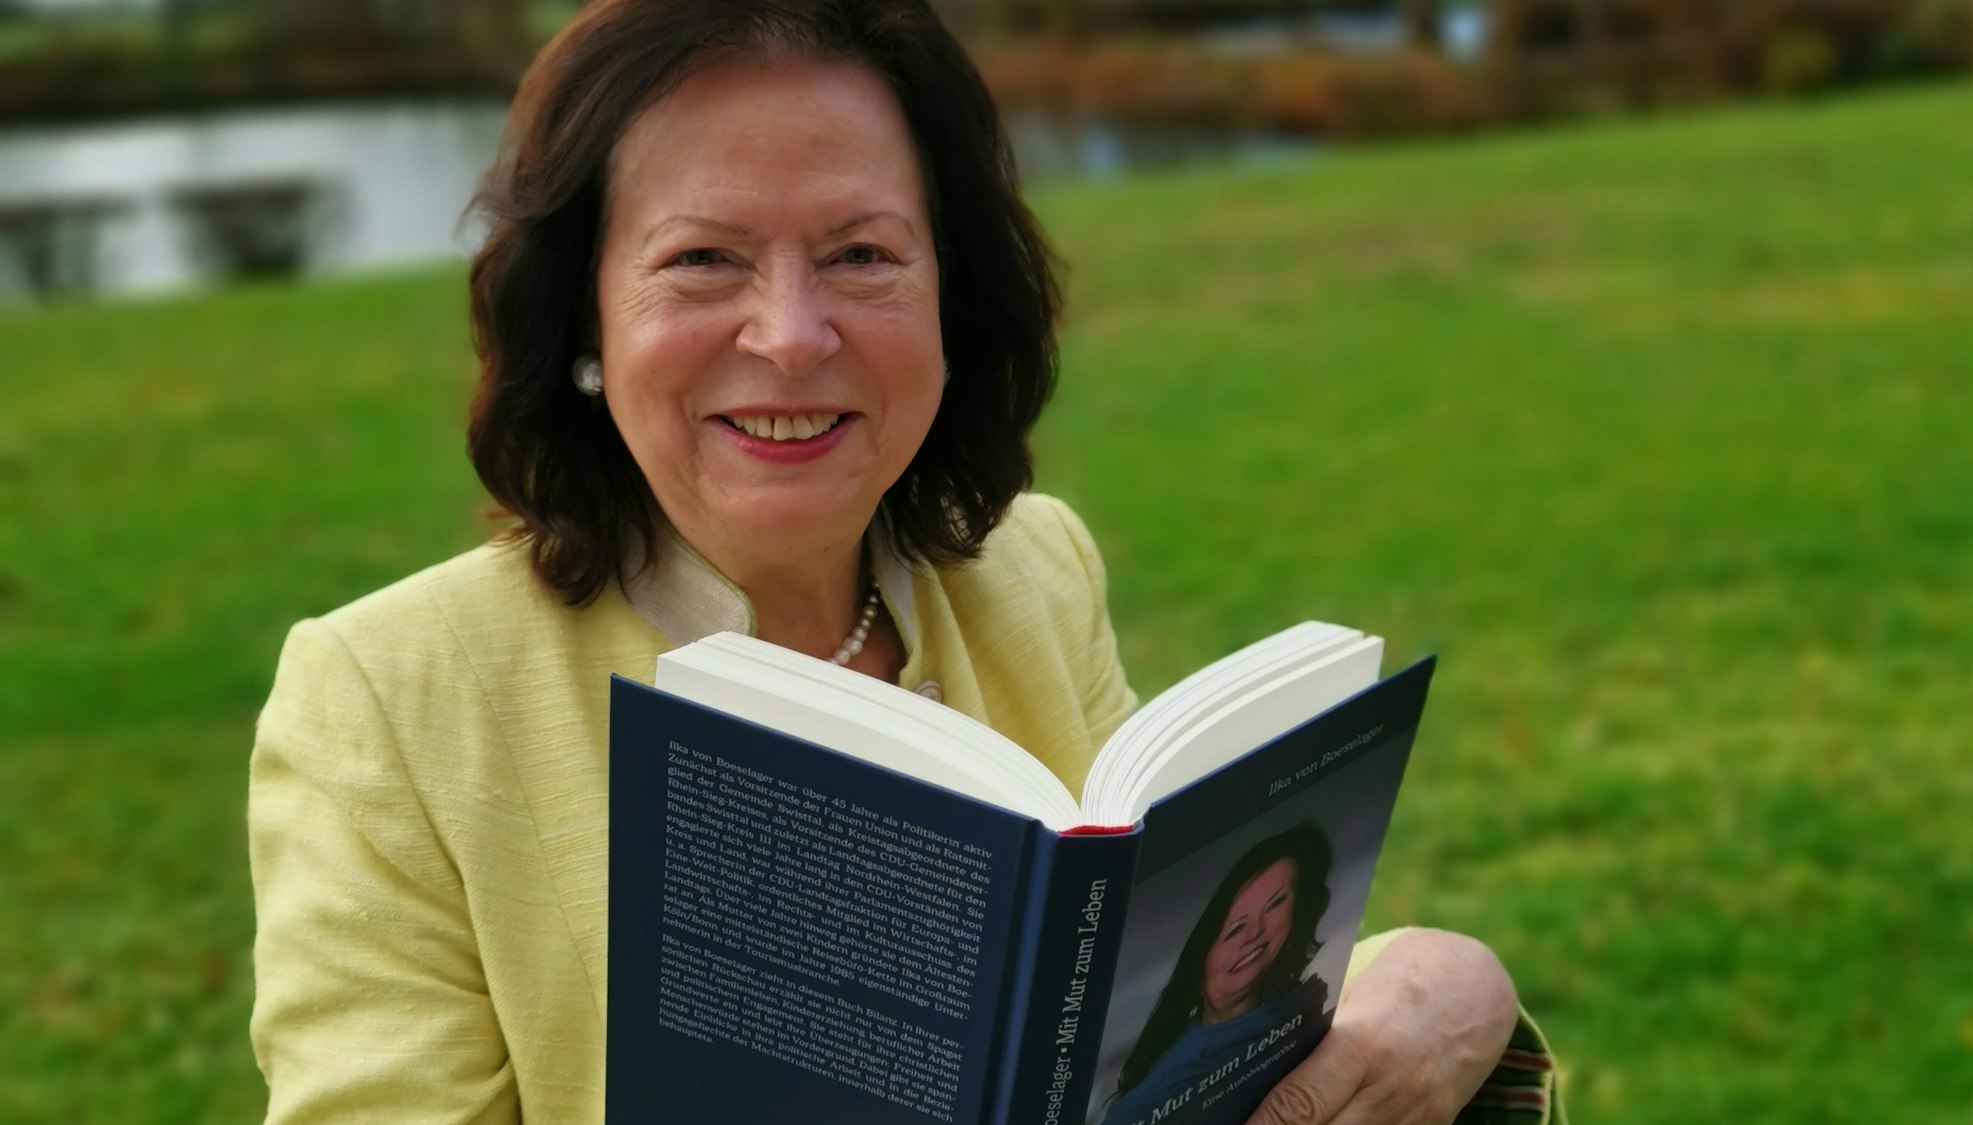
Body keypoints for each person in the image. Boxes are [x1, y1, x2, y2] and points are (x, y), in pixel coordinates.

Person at [247, 1, 1560, 1122]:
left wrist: (1447, 991)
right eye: (702, 259)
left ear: (950, 291)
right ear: (581, 314)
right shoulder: (385, 699)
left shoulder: (1033, 572)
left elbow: (1144, 1021)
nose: (791, 336)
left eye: (860, 254)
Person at [1102, 825, 1337, 1125]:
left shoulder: (1303, 1014)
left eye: (1276, 903)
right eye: (1235, 929)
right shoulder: (1148, 1095)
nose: (1255, 933)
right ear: (1201, 959)